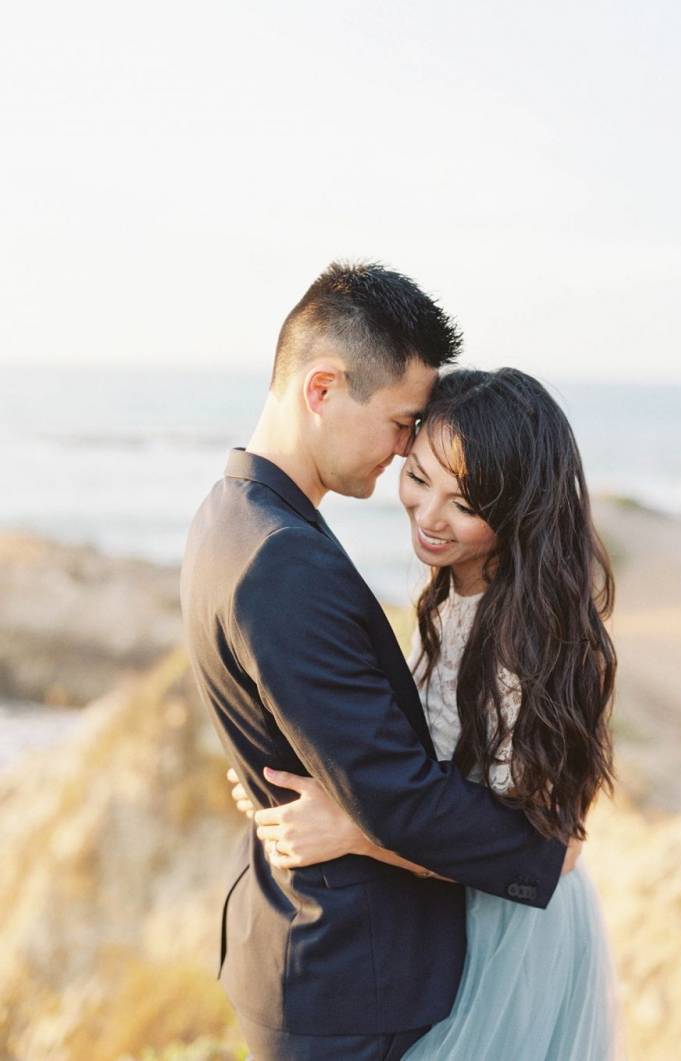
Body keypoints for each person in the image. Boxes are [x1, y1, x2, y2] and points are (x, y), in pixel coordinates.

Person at [180, 263, 578, 1061]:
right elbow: (396, 795)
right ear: (323, 389)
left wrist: (276, 767)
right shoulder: (283, 561)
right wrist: (547, 853)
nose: (404, 452)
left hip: (321, 957)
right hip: (346, 976)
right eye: (402, 424)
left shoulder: (232, 513)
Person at [231, 367, 620, 1059]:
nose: (429, 514)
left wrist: (353, 831)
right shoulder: (451, 589)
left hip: (514, 930)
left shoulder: (536, 639)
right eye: (418, 478)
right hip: (447, 911)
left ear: (519, 507)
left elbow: (550, 848)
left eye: (464, 501)